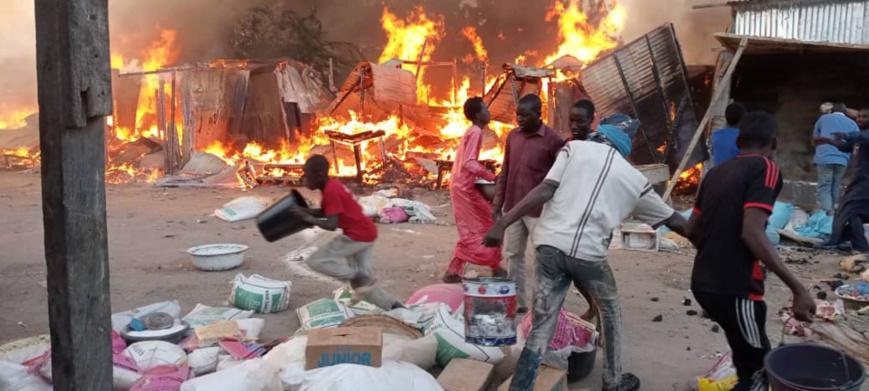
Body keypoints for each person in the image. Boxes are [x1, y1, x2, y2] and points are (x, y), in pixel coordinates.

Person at [484, 121, 689, 391]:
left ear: (600, 135)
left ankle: (521, 387)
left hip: (549, 247)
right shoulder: (635, 179)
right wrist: (708, 239)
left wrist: (502, 222)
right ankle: (613, 381)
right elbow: (674, 220)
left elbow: (545, 189)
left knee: (542, 325)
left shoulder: (573, 149)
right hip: (588, 256)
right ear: (624, 148)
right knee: (610, 312)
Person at [687, 111, 815, 391]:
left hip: (703, 283)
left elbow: (691, 229)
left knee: (745, 354)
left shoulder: (715, 173)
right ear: (774, 142)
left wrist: (715, 253)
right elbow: (752, 232)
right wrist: (798, 289)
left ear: (739, 141)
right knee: (758, 370)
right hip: (736, 288)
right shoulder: (765, 168)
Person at [291, 155, 401, 309]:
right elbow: (327, 212)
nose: (304, 178)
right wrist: (306, 211)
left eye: (307, 175)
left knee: (316, 261)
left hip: (357, 236)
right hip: (366, 232)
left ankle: (358, 275)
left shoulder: (331, 191)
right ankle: (396, 307)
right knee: (362, 286)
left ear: (319, 174)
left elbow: (331, 224)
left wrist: (307, 218)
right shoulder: (331, 186)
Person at [491, 94, 565, 311]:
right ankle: (517, 303)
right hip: (513, 207)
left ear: (538, 114)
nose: (520, 119)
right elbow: (505, 171)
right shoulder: (513, 137)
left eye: (525, 115)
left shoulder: (553, 140)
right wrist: (497, 203)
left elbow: (559, 178)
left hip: (539, 211)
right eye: (518, 115)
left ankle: (541, 305)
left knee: (542, 258)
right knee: (513, 255)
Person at [442, 97, 506, 282]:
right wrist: (492, 177)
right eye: (486, 109)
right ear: (478, 115)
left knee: (477, 226)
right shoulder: (476, 132)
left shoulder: (472, 131)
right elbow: (469, 162)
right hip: (464, 188)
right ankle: (493, 266)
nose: (489, 112)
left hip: (461, 185)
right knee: (487, 223)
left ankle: (458, 270)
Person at [819, 107, 869, 252]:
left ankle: (835, 241)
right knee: (853, 213)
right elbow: (846, 147)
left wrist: (846, 134)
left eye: (865, 116)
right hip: (859, 182)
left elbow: (859, 137)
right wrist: (828, 141)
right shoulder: (860, 138)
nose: (860, 119)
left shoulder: (864, 136)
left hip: (865, 183)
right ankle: (859, 246)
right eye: (859, 116)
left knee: (847, 209)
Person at [813, 102, 860, 213]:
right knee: (836, 185)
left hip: (824, 157)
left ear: (832, 110)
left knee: (825, 185)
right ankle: (832, 211)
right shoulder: (852, 123)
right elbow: (856, 144)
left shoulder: (823, 119)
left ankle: (826, 213)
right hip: (842, 159)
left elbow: (815, 138)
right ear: (845, 112)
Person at [710, 102, 746, 166]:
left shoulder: (715, 136)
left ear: (726, 117)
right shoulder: (744, 138)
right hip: (735, 171)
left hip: (717, 171)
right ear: (743, 119)